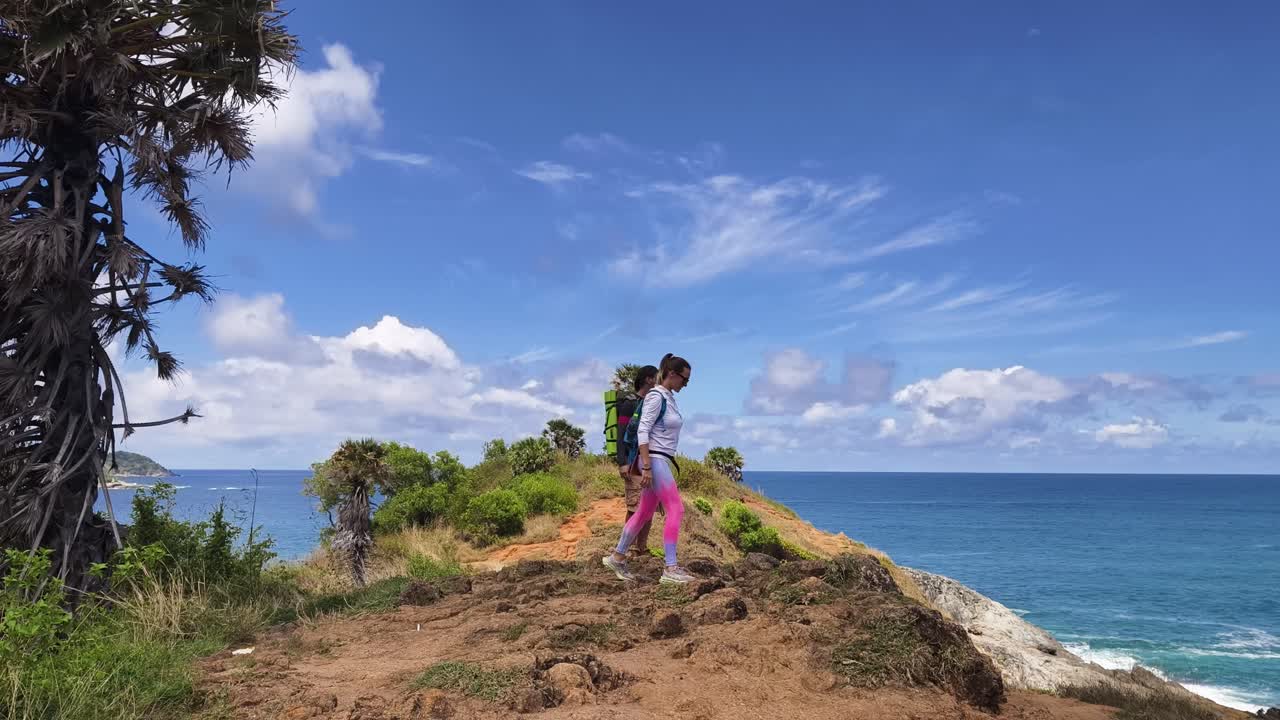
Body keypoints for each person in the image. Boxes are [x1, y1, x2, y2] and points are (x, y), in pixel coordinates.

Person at [603, 353, 695, 584]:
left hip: (660, 459)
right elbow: (643, 431)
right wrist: (646, 466)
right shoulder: (656, 397)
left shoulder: (668, 397)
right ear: (672, 374)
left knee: (644, 513)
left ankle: (617, 556)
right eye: (684, 379)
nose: (686, 384)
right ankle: (670, 569)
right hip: (654, 459)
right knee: (676, 509)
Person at [616, 365, 659, 557]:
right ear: (649, 380)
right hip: (632, 463)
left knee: (648, 507)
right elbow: (620, 434)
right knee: (634, 507)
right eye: (656, 377)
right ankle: (628, 548)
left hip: (648, 463)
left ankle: (641, 547)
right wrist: (622, 461)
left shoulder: (651, 404)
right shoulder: (629, 403)